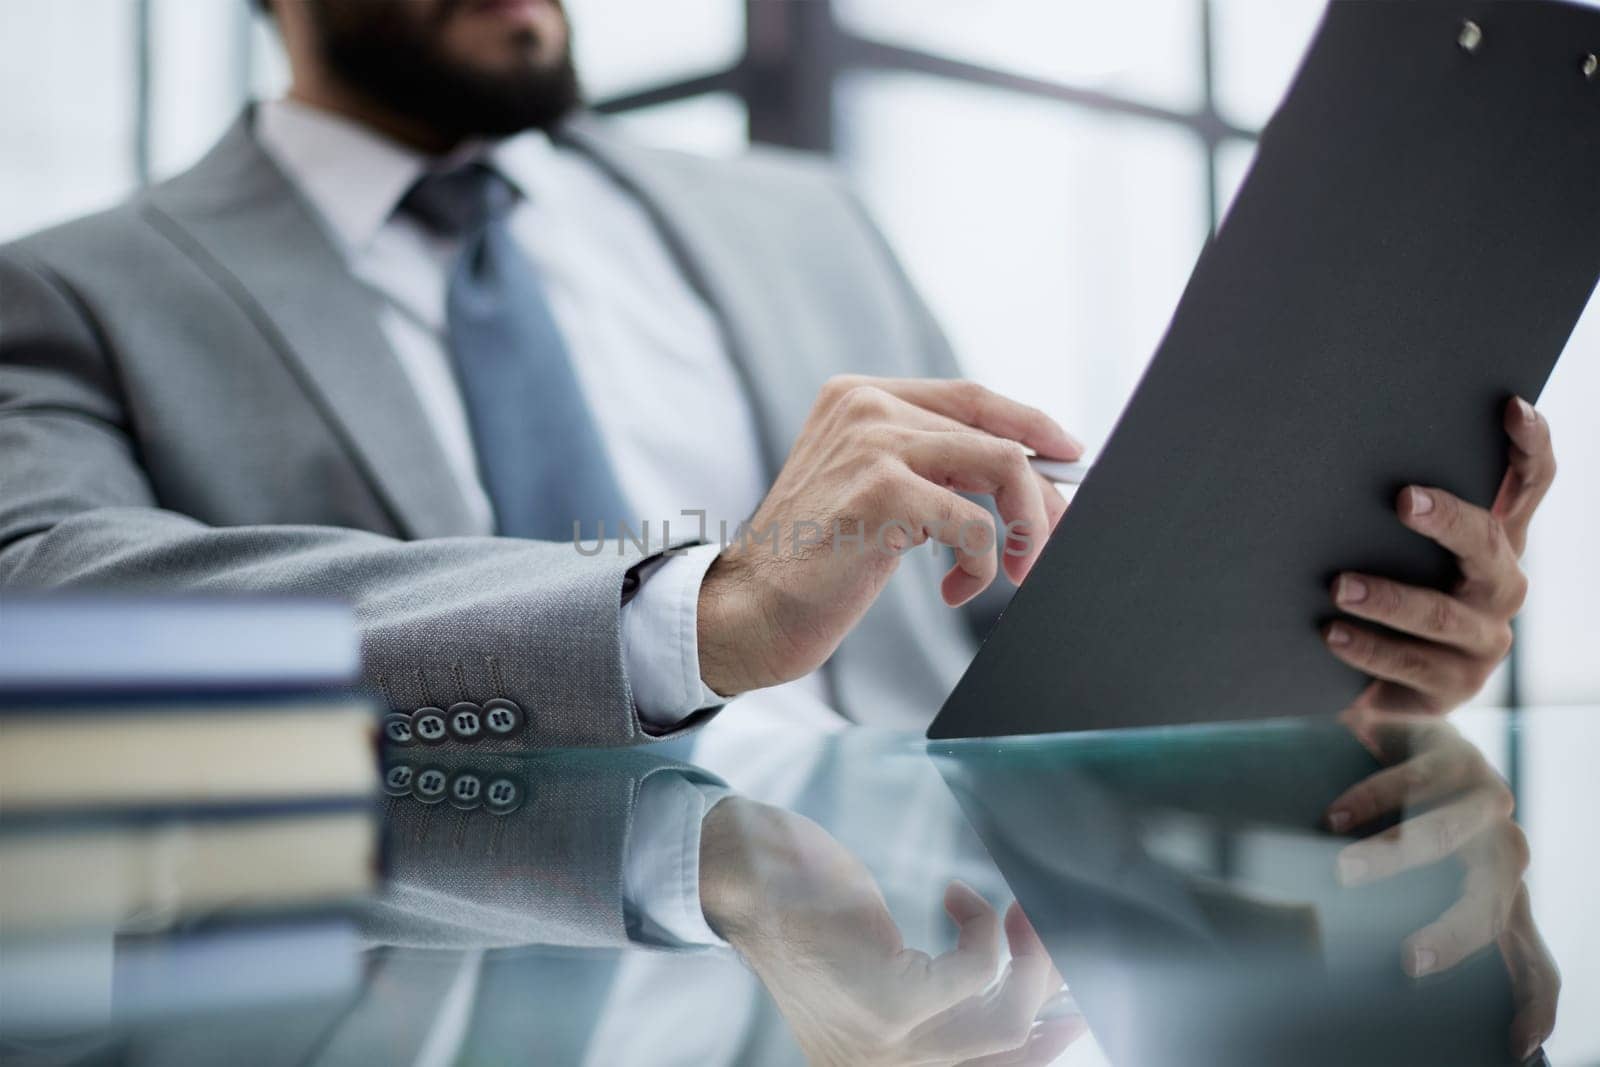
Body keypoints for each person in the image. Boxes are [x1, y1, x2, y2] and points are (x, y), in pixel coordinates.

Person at [0, 0, 1553, 747]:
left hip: (935, 981)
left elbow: (1015, 605)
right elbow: (57, 611)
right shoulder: (77, 290)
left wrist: (1333, 644)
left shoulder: (796, 219)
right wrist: (699, 618)